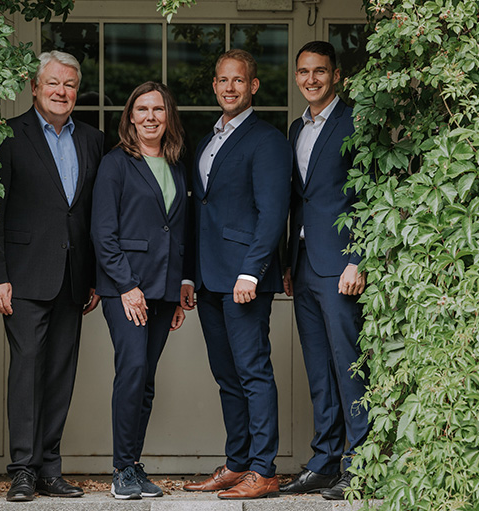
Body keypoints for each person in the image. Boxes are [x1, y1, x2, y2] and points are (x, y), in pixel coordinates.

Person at [0, 50, 104, 502]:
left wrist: (94, 277)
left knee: (59, 375)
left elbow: (91, 214)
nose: (61, 91)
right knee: (28, 372)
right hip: (23, 277)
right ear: (34, 87)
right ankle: (23, 470)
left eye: (69, 85)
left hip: (74, 279)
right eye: (53, 83)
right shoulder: (7, 136)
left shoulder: (92, 139)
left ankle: (50, 468)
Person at [181, 49, 292, 500]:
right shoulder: (208, 140)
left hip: (244, 280)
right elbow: (197, 211)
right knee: (227, 376)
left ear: (253, 86)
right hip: (208, 279)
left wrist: (253, 270)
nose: (230, 88)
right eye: (222, 80)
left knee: (253, 372)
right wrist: (189, 276)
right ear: (214, 85)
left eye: (238, 81)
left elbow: (272, 213)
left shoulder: (267, 141)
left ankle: (264, 469)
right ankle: (238, 462)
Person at [279, 41, 370, 500]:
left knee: (347, 364)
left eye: (319, 71)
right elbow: (299, 200)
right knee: (318, 367)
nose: (310, 79)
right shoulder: (297, 127)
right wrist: (287, 263)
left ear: (336, 75)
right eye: (303, 72)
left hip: (341, 266)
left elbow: (369, 194)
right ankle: (324, 461)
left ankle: (360, 464)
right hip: (305, 265)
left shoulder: (355, 122)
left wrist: (359, 257)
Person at [91, 82, 189, 500]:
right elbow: (103, 232)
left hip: (164, 290)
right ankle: (121, 470)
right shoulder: (115, 164)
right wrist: (128, 287)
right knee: (131, 373)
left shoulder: (176, 164)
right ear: (130, 116)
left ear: (169, 118)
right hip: (125, 289)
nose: (151, 117)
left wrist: (181, 283)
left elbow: (180, 229)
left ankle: (132, 463)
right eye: (143, 109)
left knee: (145, 379)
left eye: (159, 110)